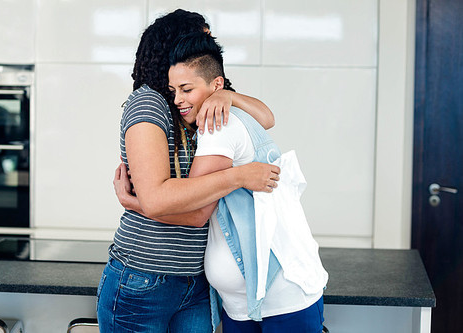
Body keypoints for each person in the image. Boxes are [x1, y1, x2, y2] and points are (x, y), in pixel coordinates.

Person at [115, 32, 329, 332]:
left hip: (276, 298)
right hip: (247, 301)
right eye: (173, 90)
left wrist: (134, 203)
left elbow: (197, 211)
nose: (177, 100)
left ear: (215, 85)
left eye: (186, 89)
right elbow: (268, 118)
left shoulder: (218, 123)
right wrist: (227, 95)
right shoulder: (214, 117)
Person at [97, 9, 280, 333]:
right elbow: (165, 202)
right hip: (144, 277)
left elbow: (265, 119)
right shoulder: (149, 104)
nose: (206, 45)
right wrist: (240, 176)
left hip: (195, 281)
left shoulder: (201, 102)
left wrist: (227, 94)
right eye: (201, 37)